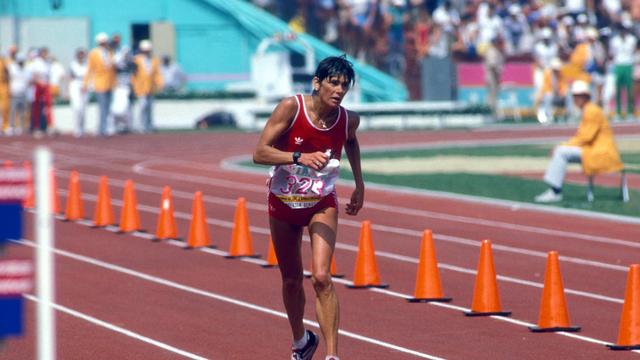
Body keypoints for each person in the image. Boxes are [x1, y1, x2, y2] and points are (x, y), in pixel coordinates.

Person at [252, 55, 364, 360]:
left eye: (344, 85)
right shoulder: (292, 107)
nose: (339, 90)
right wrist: (298, 157)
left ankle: (333, 356)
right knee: (291, 280)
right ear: (317, 83)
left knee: (321, 277)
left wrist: (359, 184)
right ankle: (301, 341)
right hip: (284, 202)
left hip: (321, 202)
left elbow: (351, 141)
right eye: (333, 82)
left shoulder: (348, 119)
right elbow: (259, 152)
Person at [535, 80, 624, 203]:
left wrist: (563, 145)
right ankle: (554, 189)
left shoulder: (592, 110)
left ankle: (555, 191)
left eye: (578, 96)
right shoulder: (588, 110)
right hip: (593, 149)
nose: (576, 99)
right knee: (561, 151)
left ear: (585, 96)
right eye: (575, 96)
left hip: (601, 152)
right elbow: (583, 136)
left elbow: (586, 137)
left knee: (561, 152)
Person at [83, 32, 116, 136]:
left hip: (109, 83)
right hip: (99, 83)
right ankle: (102, 129)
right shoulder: (93, 53)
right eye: (102, 43)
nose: (104, 44)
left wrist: (115, 82)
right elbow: (90, 69)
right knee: (102, 107)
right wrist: (85, 83)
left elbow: (113, 69)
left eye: (105, 42)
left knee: (108, 107)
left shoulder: (110, 53)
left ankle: (106, 127)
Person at [131, 40, 163, 133]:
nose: (147, 52)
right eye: (145, 50)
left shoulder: (154, 60)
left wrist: (160, 84)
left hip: (150, 87)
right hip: (140, 87)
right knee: (143, 106)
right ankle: (141, 125)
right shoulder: (136, 60)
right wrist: (132, 86)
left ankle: (149, 125)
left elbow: (157, 74)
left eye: (148, 50)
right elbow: (133, 74)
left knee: (149, 107)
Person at [8, 54, 31, 135]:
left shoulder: (27, 70)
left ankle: (20, 127)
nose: (21, 63)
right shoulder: (12, 68)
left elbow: (29, 81)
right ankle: (11, 127)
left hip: (23, 93)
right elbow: (9, 78)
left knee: (22, 112)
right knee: (13, 111)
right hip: (14, 93)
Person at [68, 48, 89, 137]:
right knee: (77, 107)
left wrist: (86, 85)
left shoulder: (87, 64)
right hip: (75, 85)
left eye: (82, 54)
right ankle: (77, 128)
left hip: (84, 85)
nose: (81, 56)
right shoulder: (72, 64)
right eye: (79, 54)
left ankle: (82, 128)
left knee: (83, 109)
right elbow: (70, 77)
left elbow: (89, 76)